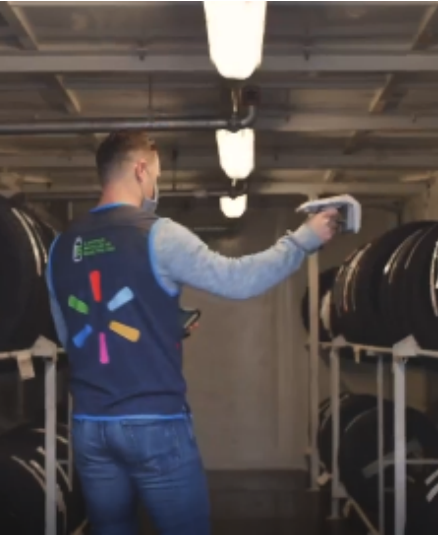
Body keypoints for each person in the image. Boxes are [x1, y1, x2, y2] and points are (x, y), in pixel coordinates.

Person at [45, 131, 339, 535]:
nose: (155, 188)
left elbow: (73, 330)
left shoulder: (60, 247)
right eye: (156, 176)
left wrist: (159, 323)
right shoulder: (158, 233)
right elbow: (238, 280)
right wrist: (304, 240)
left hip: (90, 424)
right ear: (140, 169)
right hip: (154, 422)